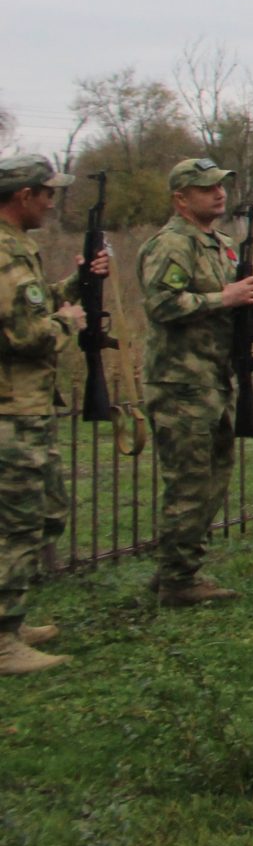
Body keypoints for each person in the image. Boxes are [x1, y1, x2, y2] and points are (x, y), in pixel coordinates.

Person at [139, 155, 253, 607]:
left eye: (221, 186)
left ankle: (175, 569)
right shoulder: (170, 245)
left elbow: (227, 301)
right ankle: (178, 580)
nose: (219, 194)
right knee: (189, 483)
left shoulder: (222, 245)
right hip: (180, 380)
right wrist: (225, 297)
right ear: (181, 199)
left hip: (215, 376)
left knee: (213, 478)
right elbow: (162, 304)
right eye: (207, 188)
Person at [0, 155, 109, 673]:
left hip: (26, 409)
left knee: (42, 513)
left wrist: (75, 282)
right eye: (46, 193)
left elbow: (32, 306)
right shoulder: (5, 255)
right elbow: (26, 334)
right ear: (23, 196)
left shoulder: (18, 248)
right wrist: (68, 323)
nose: (50, 202)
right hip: (11, 414)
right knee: (16, 525)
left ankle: (12, 618)